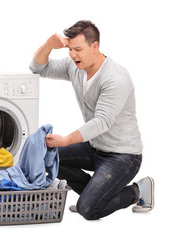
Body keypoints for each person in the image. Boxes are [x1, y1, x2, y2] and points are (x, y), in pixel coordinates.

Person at [29, 20, 155, 220]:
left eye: (78, 49)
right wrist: (48, 46)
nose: (72, 55)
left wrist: (66, 140)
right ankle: (94, 194)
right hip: (96, 148)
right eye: (70, 49)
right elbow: (38, 68)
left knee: (89, 210)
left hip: (123, 156)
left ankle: (138, 191)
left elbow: (102, 121)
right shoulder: (75, 66)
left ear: (94, 47)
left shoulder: (115, 77)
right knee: (48, 158)